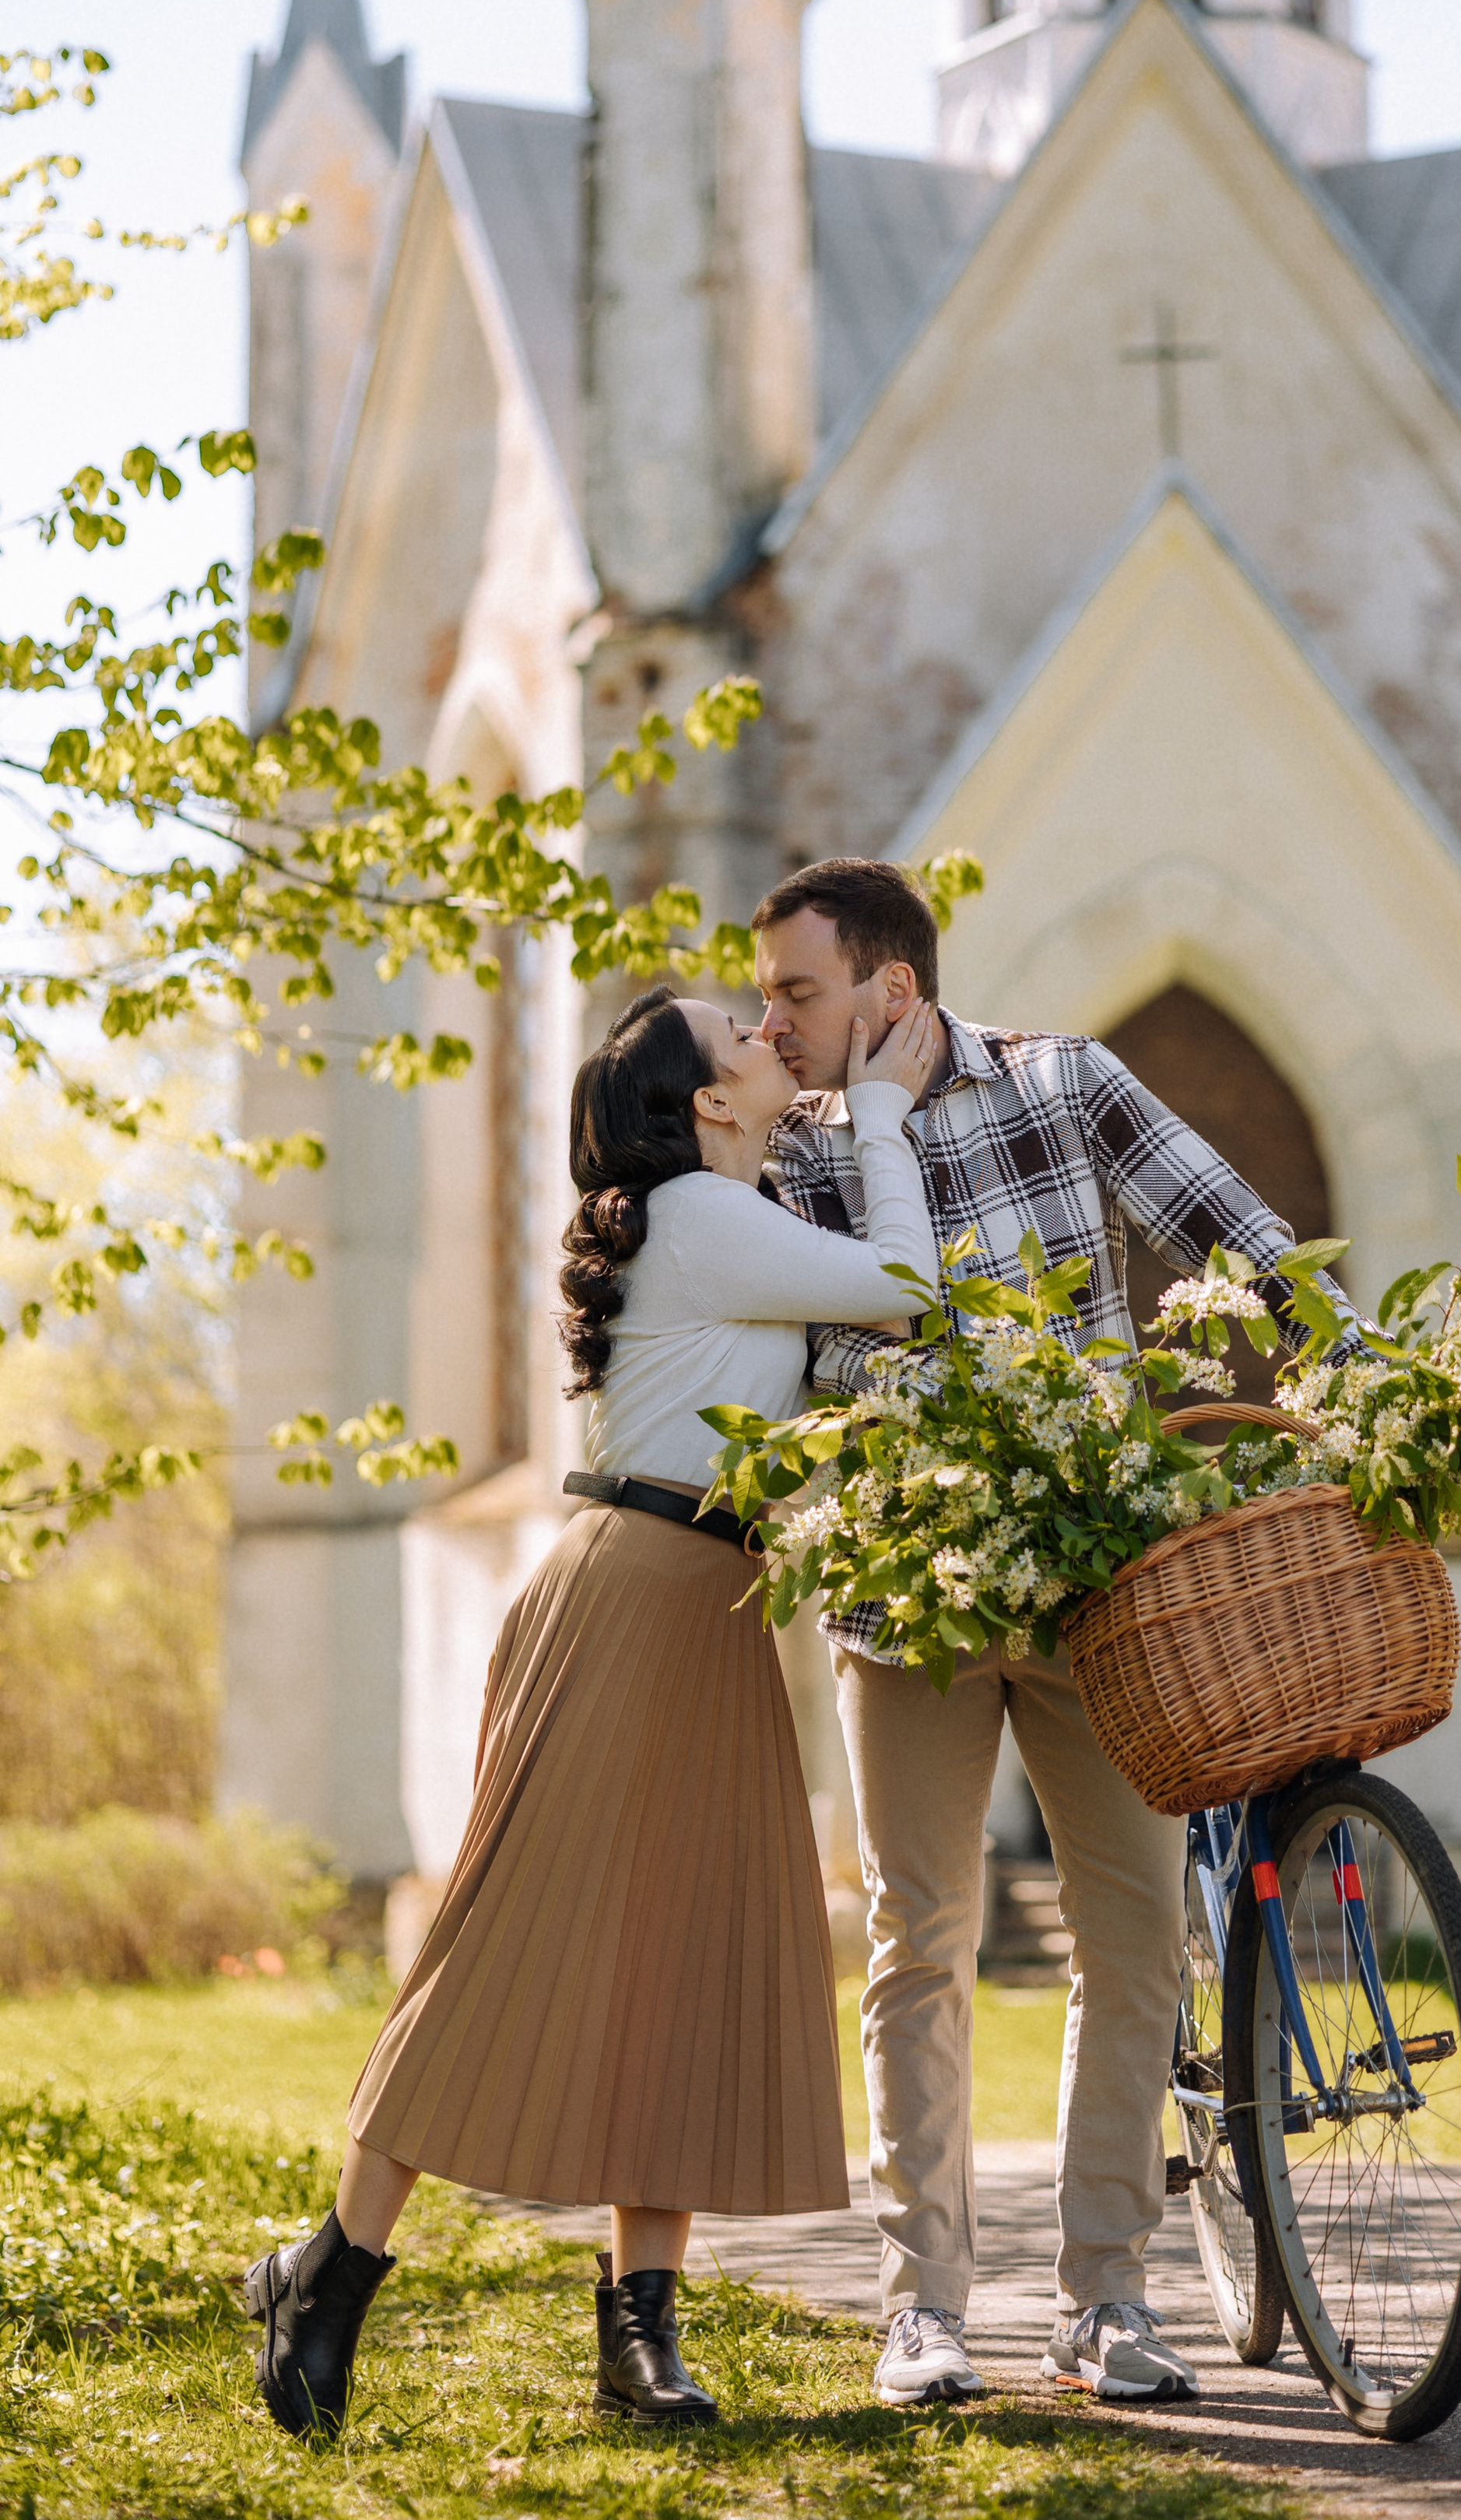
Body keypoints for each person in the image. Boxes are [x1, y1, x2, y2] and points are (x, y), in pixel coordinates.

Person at [244, 979, 943, 2441]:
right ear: (702, 1101)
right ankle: (332, 2280)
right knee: (506, 1947)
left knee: (678, 1969)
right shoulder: (696, 1218)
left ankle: (640, 2337)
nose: (767, 1034)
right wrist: (879, 1109)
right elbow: (910, 1288)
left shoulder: (731, 1217)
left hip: (709, 1609)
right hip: (633, 1599)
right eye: (741, 1036)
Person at [753, 859, 1361, 2409]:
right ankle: (922, 2310)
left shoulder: (1061, 1082)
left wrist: (1366, 1376)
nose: (772, 1021)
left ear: (891, 988)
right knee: (920, 1942)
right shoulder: (800, 1150)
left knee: (1135, 1941)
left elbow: (1233, 1235)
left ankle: (1105, 2303)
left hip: (1096, 1580)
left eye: (797, 991)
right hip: (910, 1602)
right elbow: (805, 1349)